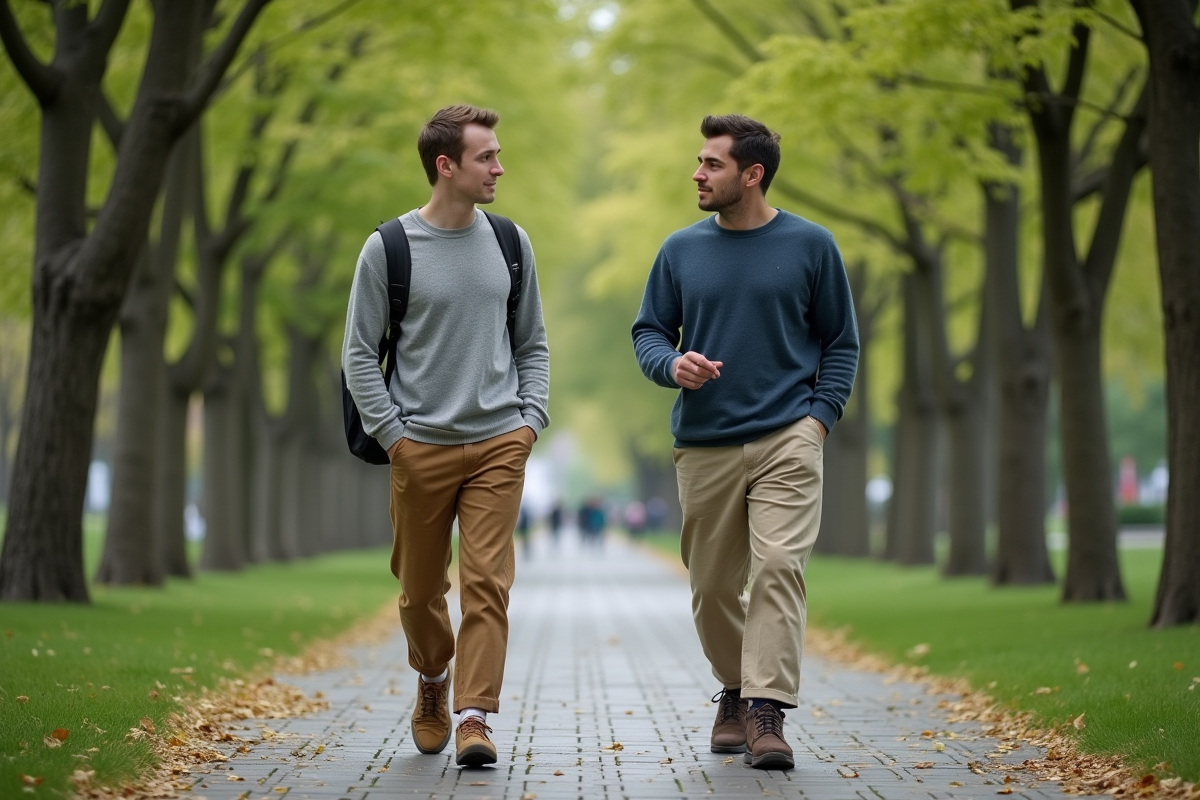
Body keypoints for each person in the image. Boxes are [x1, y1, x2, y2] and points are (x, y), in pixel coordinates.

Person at [631, 114, 858, 770]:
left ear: (751, 175)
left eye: (712, 164)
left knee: (780, 567)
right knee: (712, 588)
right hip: (704, 441)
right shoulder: (679, 250)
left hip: (789, 434)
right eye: (699, 162)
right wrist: (671, 365)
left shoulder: (812, 245)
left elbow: (840, 341)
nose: (697, 174)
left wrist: (819, 418)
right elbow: (649, 331)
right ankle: (733, 687)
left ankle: (766, 710)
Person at [341, 104, 550, 767]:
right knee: (421, 591)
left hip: (498, 444)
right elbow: (356, 356)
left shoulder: (511, 243)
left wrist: (529, 421)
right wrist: (395, 438)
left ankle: (473, 715)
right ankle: (433, 677)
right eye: (486, 156)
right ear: (446, 166)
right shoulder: (389, 249)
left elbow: (533, 345)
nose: (499, 167)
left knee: (487, 585)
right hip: (419, 447)